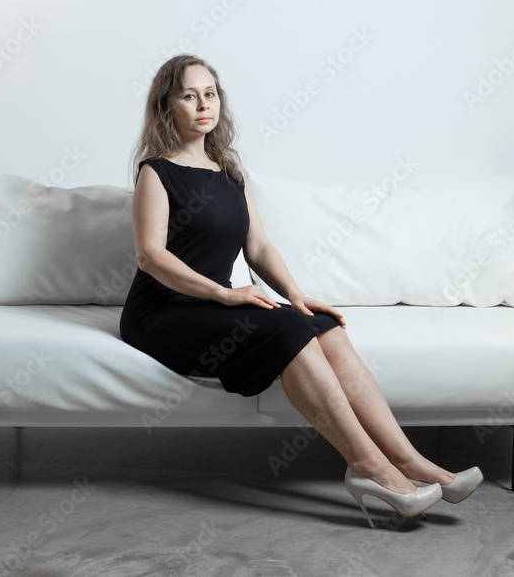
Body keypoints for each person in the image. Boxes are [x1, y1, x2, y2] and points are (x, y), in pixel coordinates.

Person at [119, 54, 482, 528]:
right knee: (289, 330)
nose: (203, 104)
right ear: (167, 105)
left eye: (210, 93)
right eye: (189, 95)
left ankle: (412, 463)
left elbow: (259, 246)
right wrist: (227, 295)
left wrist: (296, 295)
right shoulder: (157, 172)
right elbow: (150, 256)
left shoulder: (228, 172)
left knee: (321, 323)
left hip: (212, 306)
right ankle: (369, 467)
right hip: (162, 313)